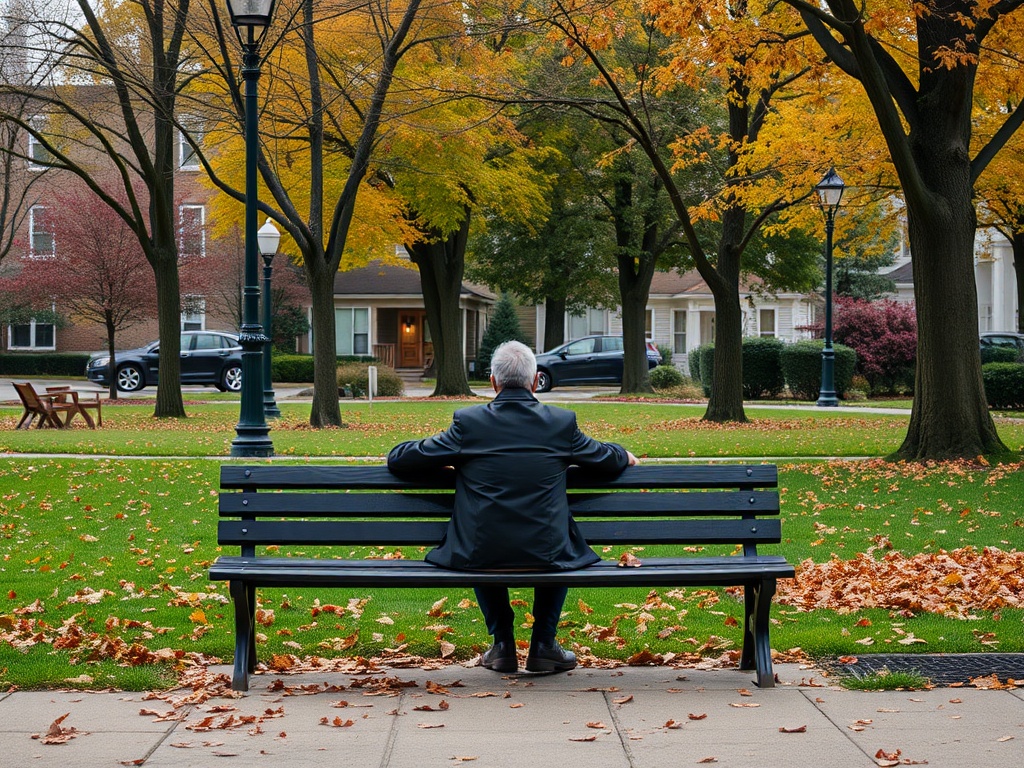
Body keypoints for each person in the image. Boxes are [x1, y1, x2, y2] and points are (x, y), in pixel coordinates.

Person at [387, 340, 637, 674]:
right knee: (555, 539)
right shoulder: (561, 423)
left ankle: (503, 644)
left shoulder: (468, 423)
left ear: (493, 382)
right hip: (548, 553)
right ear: (535, 382)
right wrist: (624, 454)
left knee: (486, 536)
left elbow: (402, 459)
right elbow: (606, 459)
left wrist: (450, 464)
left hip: (480, 551)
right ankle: (544, 645)